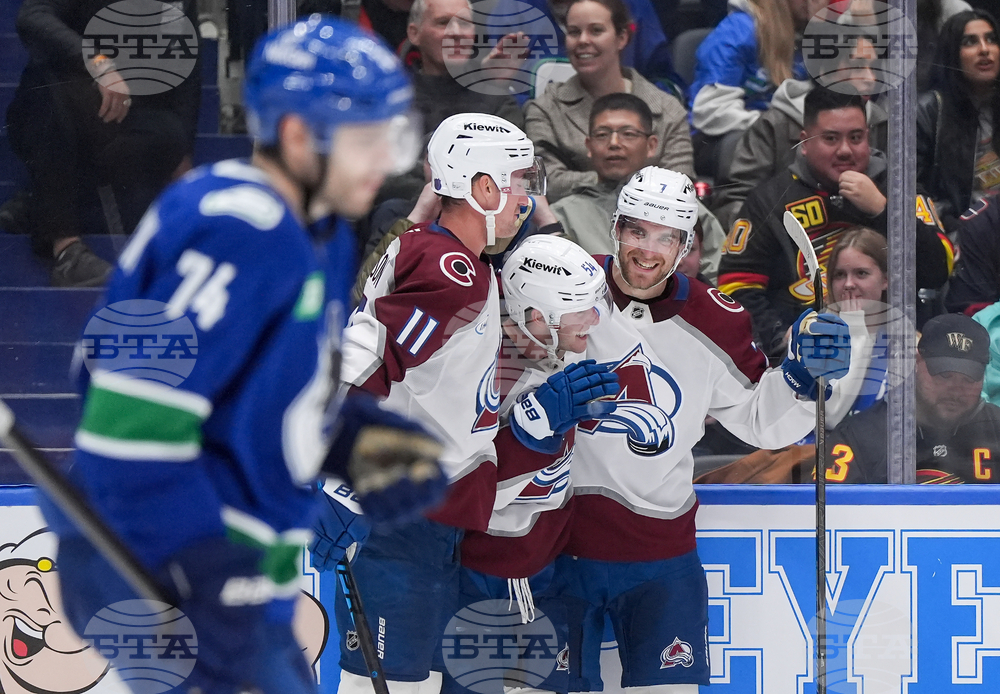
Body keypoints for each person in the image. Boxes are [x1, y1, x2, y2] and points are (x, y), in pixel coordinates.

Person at [39, 16, 448, 694]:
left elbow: (253, 402)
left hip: (239, 584)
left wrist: (348, 441)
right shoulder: (237, 227)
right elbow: (128, 419)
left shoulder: (314, 233)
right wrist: (204, 574)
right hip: (173, 574)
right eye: (367, 139)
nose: (385, 160)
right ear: (297, 135)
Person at [549, 165, 853, 693]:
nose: (648, 250)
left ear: (687, 244)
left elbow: (760, 420)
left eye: (666, 237)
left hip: (660, 555)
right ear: (616, 227)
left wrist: (802, 378)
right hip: (555, 545)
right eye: (637, 231)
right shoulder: (562, 289)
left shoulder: (717, 319)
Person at [333, 112, 556, 694]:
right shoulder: (452, 270)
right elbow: (369, 358)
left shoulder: (441, 253)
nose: (525, 199)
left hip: (431, 520)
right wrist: (340, 490)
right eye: (519, 182)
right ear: (482, 188)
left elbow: (403, 358)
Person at [436, 236, 618, 694]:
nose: (594, 320)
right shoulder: (477, 368)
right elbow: (456, 493)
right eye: (581, 307)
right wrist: (527, 435)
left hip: (549, 577)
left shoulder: (560, 355)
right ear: (536, 317)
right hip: (475, 582)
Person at [717, 87, 953, 364]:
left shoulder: (899, 187)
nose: (845, 151)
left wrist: (883, 210)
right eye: (830, 138)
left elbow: (939, 269)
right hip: (803, 353)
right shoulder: (769, 200)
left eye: (856, 138)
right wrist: (780, 340)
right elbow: (735, 284)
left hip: (895, 349)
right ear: (804, 142)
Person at [7, 0, 201, 286]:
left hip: (128, 116)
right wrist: (97, 63)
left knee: (169, 132)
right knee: (46, 91)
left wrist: (184, 156)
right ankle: (66, 250)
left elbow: (187, 63)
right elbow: (32, 17)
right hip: (63, 107)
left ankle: (37, 204)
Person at [711, 35, 889, 230]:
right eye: (857, 67)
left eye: (873, 68)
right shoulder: (775, 123)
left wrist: (882, 210)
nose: (871, 79)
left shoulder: (881, 121)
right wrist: (771, 236)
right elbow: (735, 201)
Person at [524, 0, 694, 202]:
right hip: (573, 226)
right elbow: (544, 181)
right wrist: (625, 180)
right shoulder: (545, 109)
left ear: (621, 38)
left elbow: (682, 186)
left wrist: (612, 180)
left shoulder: (667, 109)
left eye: (596, 31)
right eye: (574, 32)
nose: (583, 40)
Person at [550, 92, 725, 280]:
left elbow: (718, 275)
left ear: (651, 145)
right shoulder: (562, 215)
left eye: (628, 134)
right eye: (602, 135)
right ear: (588, 146)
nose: (614, 143)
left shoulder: (686, 208)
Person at [824, 313, 1000, 484]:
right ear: (916, 362)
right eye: (944, 375)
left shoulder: (996, 429)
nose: (955, 390)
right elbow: (828, 509)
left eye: (968, 379)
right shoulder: (858, 437)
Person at [687, 0, 816, 177]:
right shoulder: (739, 31)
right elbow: (710, 110)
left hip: (782, 132)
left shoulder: (811, 33)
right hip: (718, 137)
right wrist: (773, 128)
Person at [917, 9, 1000, 235]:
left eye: (991, 40)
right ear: (952, 53)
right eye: (970, 42)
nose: (984, 49)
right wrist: (950, 223)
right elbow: (913, 191)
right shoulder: (929, 111)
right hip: (957, 233)